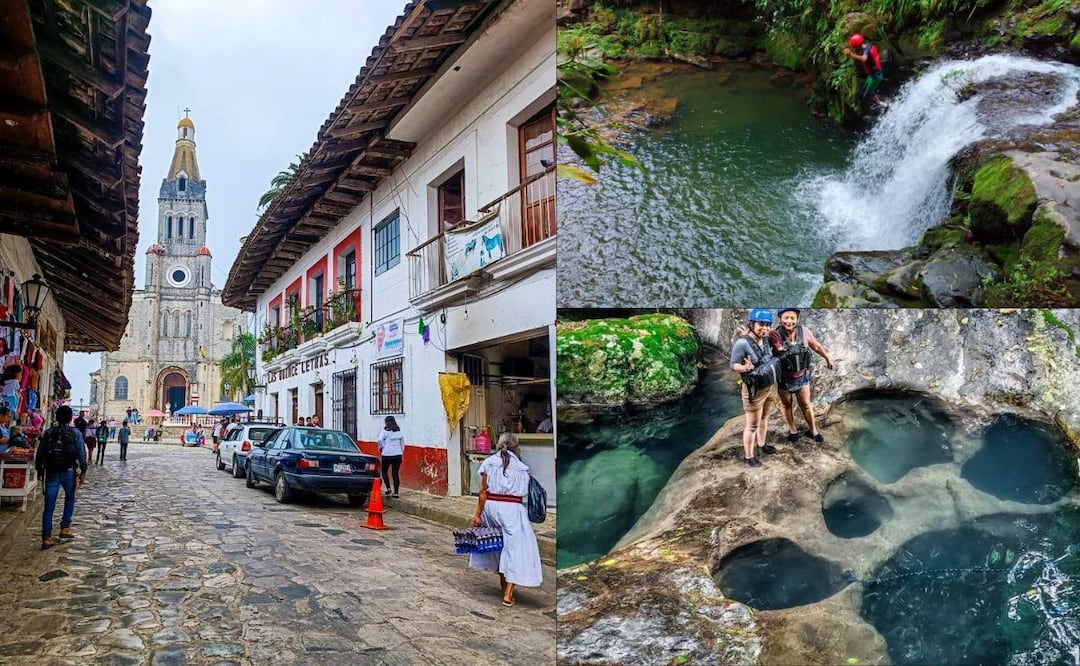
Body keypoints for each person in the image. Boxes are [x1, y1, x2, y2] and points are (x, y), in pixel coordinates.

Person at [469, 433, 543, 607]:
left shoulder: (489, 463)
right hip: (511, 510)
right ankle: (508, 593)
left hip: (491, 507)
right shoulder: (522, 468)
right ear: (516, 447)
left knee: (498, 546)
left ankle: (504, 584)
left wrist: (478, 514)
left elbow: (482, 492)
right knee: (517, 549)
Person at [768, 309, 835, 444]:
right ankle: (793, 431)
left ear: (797, 319)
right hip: (784, 379)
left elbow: (815, 346)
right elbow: (768, 349)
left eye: (793, 318)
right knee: (787, 405)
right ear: (780, 318)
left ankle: (813, 430)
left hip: (802, 377)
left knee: (805, 405)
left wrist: (827, 358)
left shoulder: (804, 331)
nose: (789, 321)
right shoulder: (774, 334)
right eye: (786, 318)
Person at [730, 309, 780, 467]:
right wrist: (745, 368)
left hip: (768, 386)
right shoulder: (742, 343)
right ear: (752, 324)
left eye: (767, 325)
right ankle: (748, 456)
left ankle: (762, 444)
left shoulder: (764, 339)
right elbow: (733, 365)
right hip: (753, 390)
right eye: (761, 325)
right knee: (752, 425)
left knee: (764, 418)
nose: (764, 328)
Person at [35, 405, 87, 549]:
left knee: (49, 504)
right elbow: (81, 452)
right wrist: (83, 469)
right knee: (69, 498)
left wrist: (39, 470)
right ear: (71, 418)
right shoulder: (75, 433)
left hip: (51, 471)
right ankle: (65, 527)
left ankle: (46, 537)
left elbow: (40, 453)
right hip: (68, 471)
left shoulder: (49, 432)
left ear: (56, 417)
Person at [843, 33, 886, 109]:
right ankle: (880, 100)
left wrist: (851, 55)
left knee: (866, 96)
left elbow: (864, 58)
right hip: (873, 74)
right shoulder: (867, 46)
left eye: (854, 47)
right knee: (865, 89)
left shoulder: (866, 51)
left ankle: (882, 106)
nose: (854, 48)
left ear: (858, 46)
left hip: (876, 76)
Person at [377, 416, 405, 497]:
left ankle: (388, 488)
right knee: (395, 473)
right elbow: (402, 444)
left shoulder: (384, 431)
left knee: (384, 471)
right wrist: (401, 453)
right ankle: (396, 492)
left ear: (386, 422)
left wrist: (381, 448)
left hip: (387, 454)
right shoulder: (399, 431)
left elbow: (380, 440)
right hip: (397, 455)